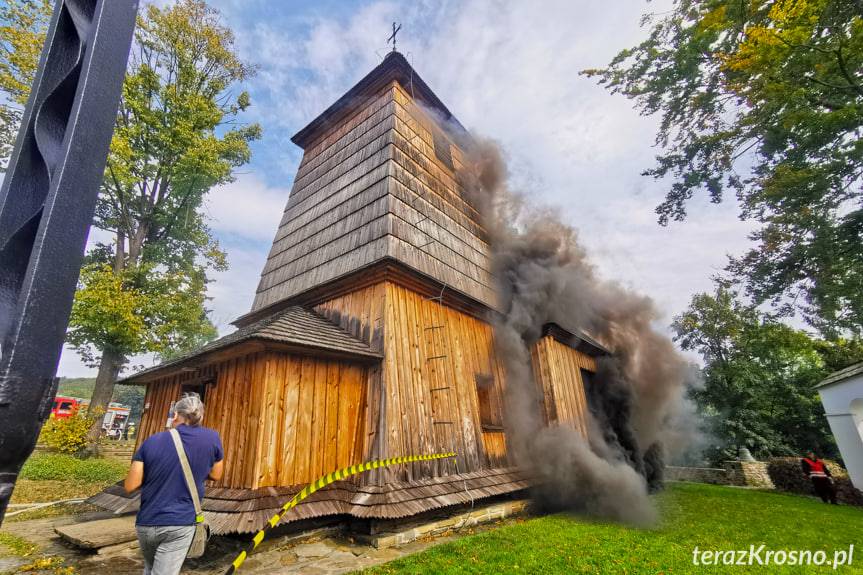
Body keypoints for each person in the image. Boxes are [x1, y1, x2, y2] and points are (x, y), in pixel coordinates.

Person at [124, 394, 224, 575]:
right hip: (180, 522)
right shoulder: (212, 438)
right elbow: (216, 475)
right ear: (200, 415)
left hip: (147, 521)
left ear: (176, 414)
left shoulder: (152, 441)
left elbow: (130, 485)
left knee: (149, 569)